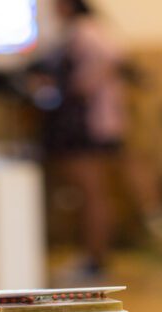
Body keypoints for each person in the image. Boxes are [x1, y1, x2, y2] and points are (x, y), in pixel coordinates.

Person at [29, 0, 126, 278]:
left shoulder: (86, 30)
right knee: (87, 194)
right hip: (79, 123)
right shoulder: (71, 32)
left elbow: (111, 58)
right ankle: (91, 256)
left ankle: (96, 259)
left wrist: (78, 85)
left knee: (93, 193)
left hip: (88, 124)